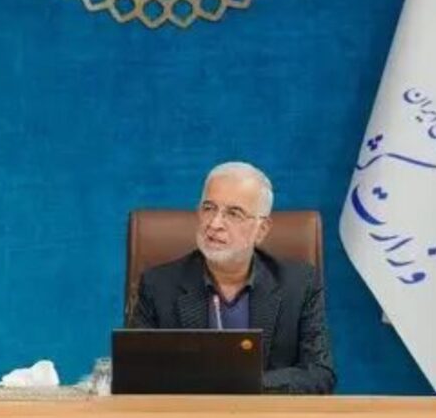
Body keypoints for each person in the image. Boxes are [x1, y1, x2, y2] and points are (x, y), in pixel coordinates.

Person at [129, 161, 336, 394]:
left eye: (234, 213)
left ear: (261, 230)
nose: (215, 224)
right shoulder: (158, 286)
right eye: (208, 208)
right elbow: (136, 373)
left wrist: (238, 384)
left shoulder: (299, 284)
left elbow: (319, 373)